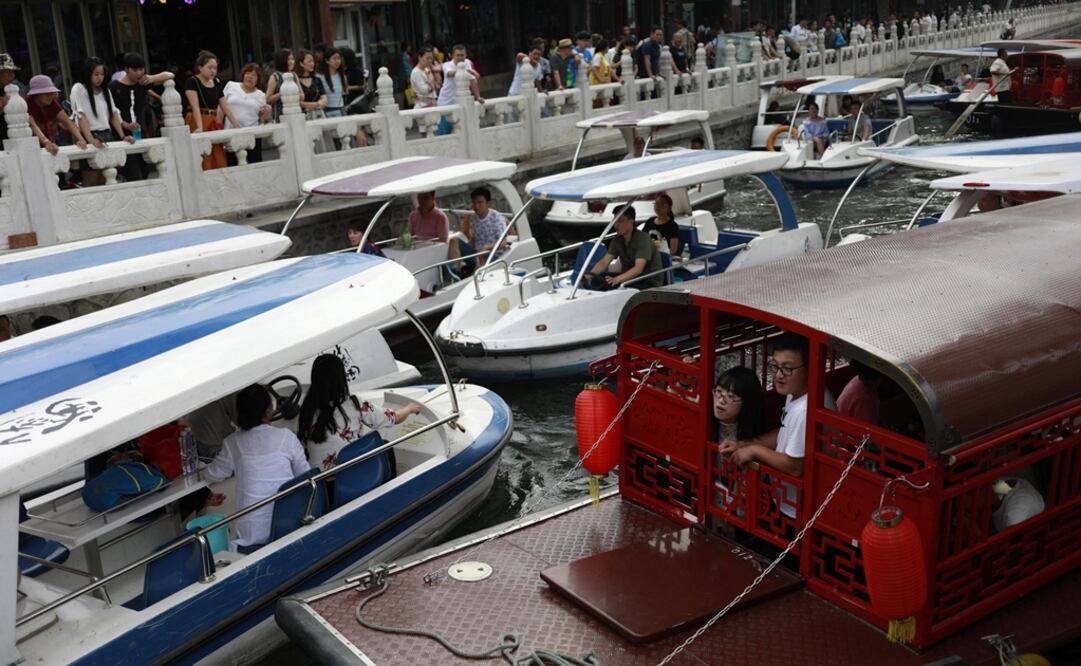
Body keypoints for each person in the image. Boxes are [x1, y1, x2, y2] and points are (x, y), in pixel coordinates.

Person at [718, 334, 836, 519]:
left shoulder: (804, 410)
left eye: (787, 369)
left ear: (809, 368)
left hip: (800, 508)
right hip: (790, 498)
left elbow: (794, 466)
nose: (779, 375)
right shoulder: (798, 392)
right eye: (775, 366)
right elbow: (784, 432)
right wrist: (744, 445)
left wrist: (755, 450)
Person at [204, 384, 311, 552]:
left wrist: (201, 467)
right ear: (268, 411)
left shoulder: (232, 442)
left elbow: (214, 475)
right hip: (290, 521)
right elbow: (305, 475)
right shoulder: (286, 437)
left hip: (253, 533)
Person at [298, 354, 421, 472]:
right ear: (341, 377)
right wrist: (409, 409)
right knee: (385, 446)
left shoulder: (306, 409)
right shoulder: (353, 403)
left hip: (322, 483)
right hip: (350, 475)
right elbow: (393, 418)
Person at [110, 52, 173, 180]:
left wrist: (151, 78)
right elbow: (112, 112)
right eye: (135, 69)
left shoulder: (143, 84)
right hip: (123, 134)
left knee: (145, 171)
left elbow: (170, 75)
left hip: (140, 132)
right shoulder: (114, 86)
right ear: (126, 69)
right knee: (132, 172)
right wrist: (124, 125)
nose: (139, 73)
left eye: (141, 69)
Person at [183, 50, 240, 170]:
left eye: (215, 68)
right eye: (210, 67)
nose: (213, 71)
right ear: (200, 67)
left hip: (212, 121)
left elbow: (225, 106)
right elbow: (195, 107)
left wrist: (237, 125)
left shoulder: (216, 82)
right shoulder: (192, 82)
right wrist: (199, 127)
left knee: (218, 158)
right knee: (204, 158)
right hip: (198, 119)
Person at [584, 207, 663, 289]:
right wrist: (590, 275)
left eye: (620, 221)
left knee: (612, 286)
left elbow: (638, 269)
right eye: (615, 221)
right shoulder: (617, 240)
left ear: (631, 222)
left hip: (648, 281)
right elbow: (605, 261)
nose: (616, 225)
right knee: (598, 279)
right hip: (630, 278)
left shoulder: (643, 239)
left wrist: (617, 280)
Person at [448, 186, 507, 273]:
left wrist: (486, 247)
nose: (476, 206)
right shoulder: (473, 218)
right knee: (454, 240)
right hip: (477, 254)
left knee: (482, 255)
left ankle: (475, 273)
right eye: (474, 203)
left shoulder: (497, 218)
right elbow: (474, 240)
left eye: (480, 203)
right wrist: (464, 249)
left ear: (488, 203)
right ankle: (455, 273)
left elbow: (503, 243)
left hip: (493, 255)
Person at [26, 74, 87, 157]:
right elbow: (33, 125)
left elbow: (67, 122)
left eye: (52, 93)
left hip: (52, 146)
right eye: (47, 94)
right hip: (33, 150)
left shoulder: (52, 103)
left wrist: (81, 139)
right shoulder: (26, 104)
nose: (51, 96)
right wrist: (46, 142)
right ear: (36, 94)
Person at [222, 63, 270, 164]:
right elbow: (221, 107)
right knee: (232, 165)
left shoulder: (261, 95)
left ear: (258, 80)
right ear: (243, 74)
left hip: (253, 134)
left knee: (256, 164)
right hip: (232, 132)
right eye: (248, 73)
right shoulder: (231, 86)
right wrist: (218, 127)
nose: (250, 77)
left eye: (254, 75)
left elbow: (262, 119)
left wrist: (266, 113)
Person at [436, 44, 483, 135]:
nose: (460, 58)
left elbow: (473, 80)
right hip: (446, 102)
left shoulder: (467, 63)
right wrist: (466, 71)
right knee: (444, 133)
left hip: (461, 102)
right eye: (457, 55)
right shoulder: (447, 65)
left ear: (465, 55)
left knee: (463, 132)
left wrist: (478, 97)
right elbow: (450, 73)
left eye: (462, 55)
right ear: (452, 55)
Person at [713, 366, 768, 443]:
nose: (721, 400)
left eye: (730, 396)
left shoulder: (757, 436)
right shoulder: (705, 421)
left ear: (747, 402)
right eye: (718, 391)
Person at [316, 47, 348, 118]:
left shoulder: (342, 76)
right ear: (327, 61)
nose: (337, 61)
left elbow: (344, 93)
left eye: (339, 58)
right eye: (334, 58)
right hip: (327, 111)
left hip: (341, 109)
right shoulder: (319, 77)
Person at [265, 49, 294, 122]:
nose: (291, 62)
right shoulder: (275, 76)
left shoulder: (294, 75)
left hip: (294, 113)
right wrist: (282, 93)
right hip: (279, 116)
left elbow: (302, 95)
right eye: (288, 59)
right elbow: (268, 99)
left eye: (292, 59)